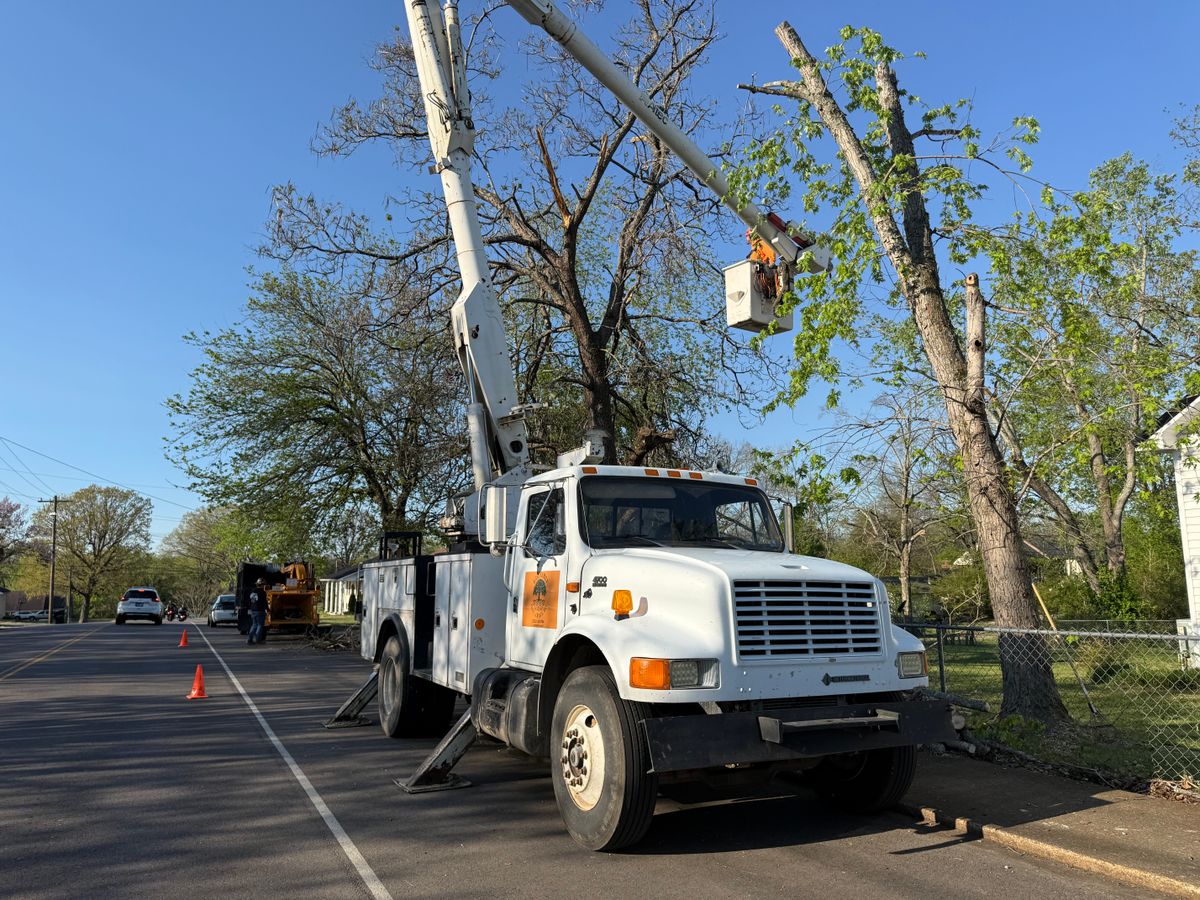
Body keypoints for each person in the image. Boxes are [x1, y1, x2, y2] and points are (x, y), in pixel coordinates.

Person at [247, 578, 268, 645]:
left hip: (253, 611)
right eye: (264, 584)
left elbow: (250, 601)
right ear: (262, 585)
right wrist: (267, 609)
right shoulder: (262, 592)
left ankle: (249, 640)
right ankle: (258, 640)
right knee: (260, 625)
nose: (264, 586)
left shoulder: (253, 591)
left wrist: (251, 608)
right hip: (260, 611)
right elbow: (264, 602)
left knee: (254, 625)